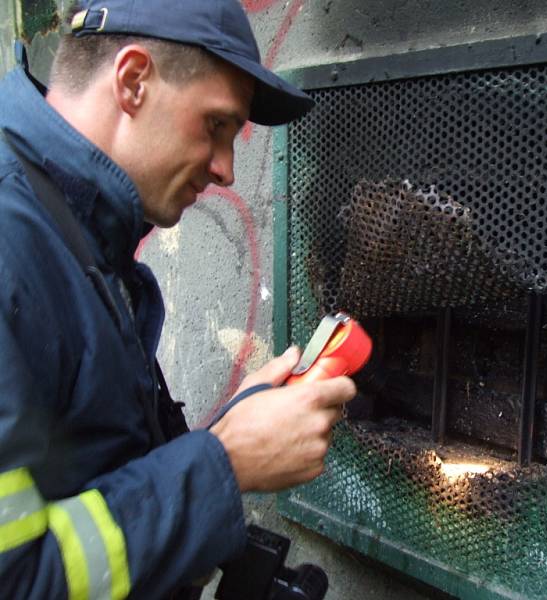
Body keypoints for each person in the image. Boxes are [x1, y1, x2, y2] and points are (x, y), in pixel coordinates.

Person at [0, 0, 356, 598]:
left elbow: (92, 476)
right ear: (133, 80)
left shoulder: (75, 231)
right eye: (216, 125)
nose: (226, 171)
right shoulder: (13, 244)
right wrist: (225, 462)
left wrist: (231, 430)